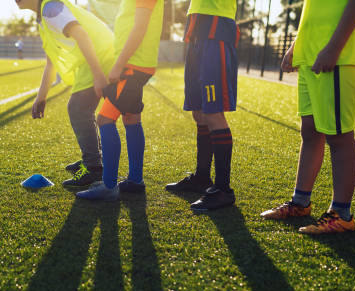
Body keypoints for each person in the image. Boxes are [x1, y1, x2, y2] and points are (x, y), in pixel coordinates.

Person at [261, 0, 355, 234]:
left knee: (338, 135)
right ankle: (300, 203)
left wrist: (334, 47)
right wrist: (295, 46)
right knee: (310, 132)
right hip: (310, 51)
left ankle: (341, 214)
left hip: (339, 53)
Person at [15, 0, 115, 188]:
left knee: (78, 108)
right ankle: (93, 159)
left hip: (102, 55)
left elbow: (82, 36)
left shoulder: (50, 9)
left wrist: (98, 75)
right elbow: (51, 62)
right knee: (81, 109)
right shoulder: (43, 16)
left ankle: (93, 166)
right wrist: (41, 96)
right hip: (99, 55)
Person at [76, 0, 164, 201]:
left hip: (132, 65)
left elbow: (140, 27)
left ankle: (108, 186)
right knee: (131, 118)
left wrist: (119, 64)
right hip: (136, 64)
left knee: (104, 119)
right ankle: (135, 181)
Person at [163, 0, 239, 211]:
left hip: (217, 32)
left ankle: (223, 189)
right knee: (198, 111)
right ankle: (202, 177)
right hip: (198, 32)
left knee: (213, 112)